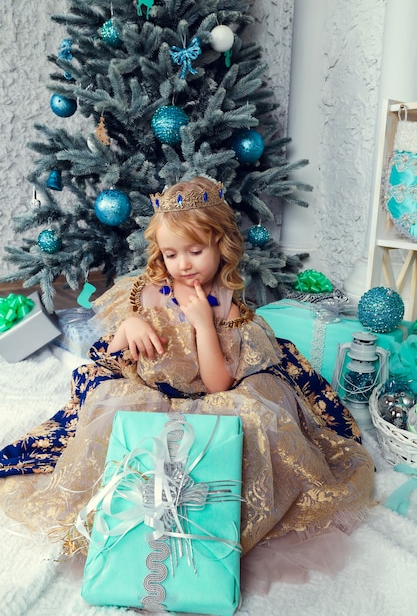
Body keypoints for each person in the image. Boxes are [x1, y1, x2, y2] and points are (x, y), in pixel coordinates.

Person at [0, 176, 374, 587]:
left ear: (221, 245)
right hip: (153, 390)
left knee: (257, 424)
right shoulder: (147, 288)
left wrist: (203, 326)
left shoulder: (226, 302)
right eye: (172, 253)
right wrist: (133, 326)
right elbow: (119, 355)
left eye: (196, 251)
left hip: (213, 394)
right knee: (110, 414)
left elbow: (219, 384)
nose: (184, 264)